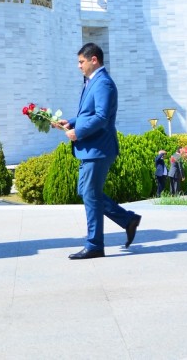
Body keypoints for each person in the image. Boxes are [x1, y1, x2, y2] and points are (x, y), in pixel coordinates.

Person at [52, 43, 141, 258]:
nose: (79, 66)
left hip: (99, 148)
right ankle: (127, 219)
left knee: (90, 194)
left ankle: (94, 245)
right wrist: (70, 122)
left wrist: (78, 132)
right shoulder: (92, 82)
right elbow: (88, 114)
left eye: (81, 61)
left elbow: (101, 117)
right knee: (86, 192)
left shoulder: (103, 84)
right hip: (91, 149)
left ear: (94, 60)